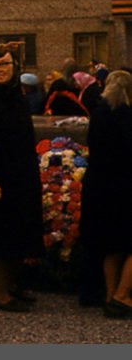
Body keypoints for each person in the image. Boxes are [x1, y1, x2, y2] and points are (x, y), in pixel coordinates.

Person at [0, 53, 43, 312]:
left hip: (20, 174)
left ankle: (12, 286)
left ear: (15, 67)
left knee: (18, 231)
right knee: (0, 236)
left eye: (4, 64)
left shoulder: (16, 95)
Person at [79, 70, 132, 318]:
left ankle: (109, 296)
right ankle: (123, 295)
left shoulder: (99, 113)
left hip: (99, 184)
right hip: (124, 185)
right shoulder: (127, 115)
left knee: (111, 245)